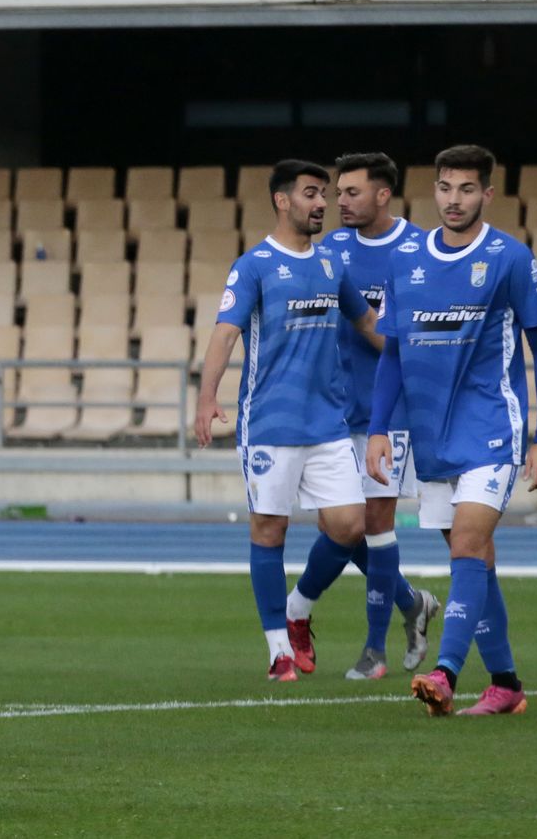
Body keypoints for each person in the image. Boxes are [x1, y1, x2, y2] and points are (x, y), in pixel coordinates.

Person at [365, 144, 537, 717]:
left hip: (492, 426)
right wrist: (378, 428)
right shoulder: (405, 259)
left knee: (469, 545)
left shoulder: (509, 258)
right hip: (432, 436)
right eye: (446, 187)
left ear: (487, 194)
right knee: (476, 559)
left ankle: (444, 673)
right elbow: (392, 352)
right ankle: (506, 684)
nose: (454, 199)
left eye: (467, 189)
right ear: (435, 189)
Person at [195, 160, 380, 682]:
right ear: (283, 201)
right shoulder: (252, 266)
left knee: (349, 525)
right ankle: (278, 650)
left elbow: (368, 321)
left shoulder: (330, 265)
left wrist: (418, 355)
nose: (322, 203)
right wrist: (206, 398)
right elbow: (225, 334)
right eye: (311, 193)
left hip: (327, 422)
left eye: (323, 194)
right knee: (269, 529)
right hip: (270, 423)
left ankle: (298, 607)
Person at [284, 153, 440, 681]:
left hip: (389, 411)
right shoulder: (330, 251)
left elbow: (418, 333)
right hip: (334, 410)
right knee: (341, 527)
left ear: (382, 194)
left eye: (351, 192)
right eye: (338, 193)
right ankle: (412, 604)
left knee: (373, 523)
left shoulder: (419, 251)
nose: (340, 202)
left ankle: (373, 650)